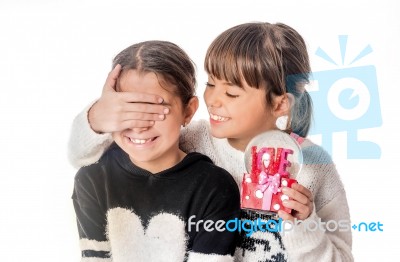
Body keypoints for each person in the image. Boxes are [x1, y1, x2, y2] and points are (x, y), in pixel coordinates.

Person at [69, 23, 353, 261]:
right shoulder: (193, 139)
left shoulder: (314, 166)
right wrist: (98, 116)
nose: (213, 100)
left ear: (280, 104)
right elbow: (85, 155)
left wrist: (303, 224)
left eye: (231, 93)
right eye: (211, 83)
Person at [72, 40, 241, 261]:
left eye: (155, 110)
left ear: (188, 111)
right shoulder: (93, 180)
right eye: (128, 109)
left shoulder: (215, 187)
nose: (140, 125)